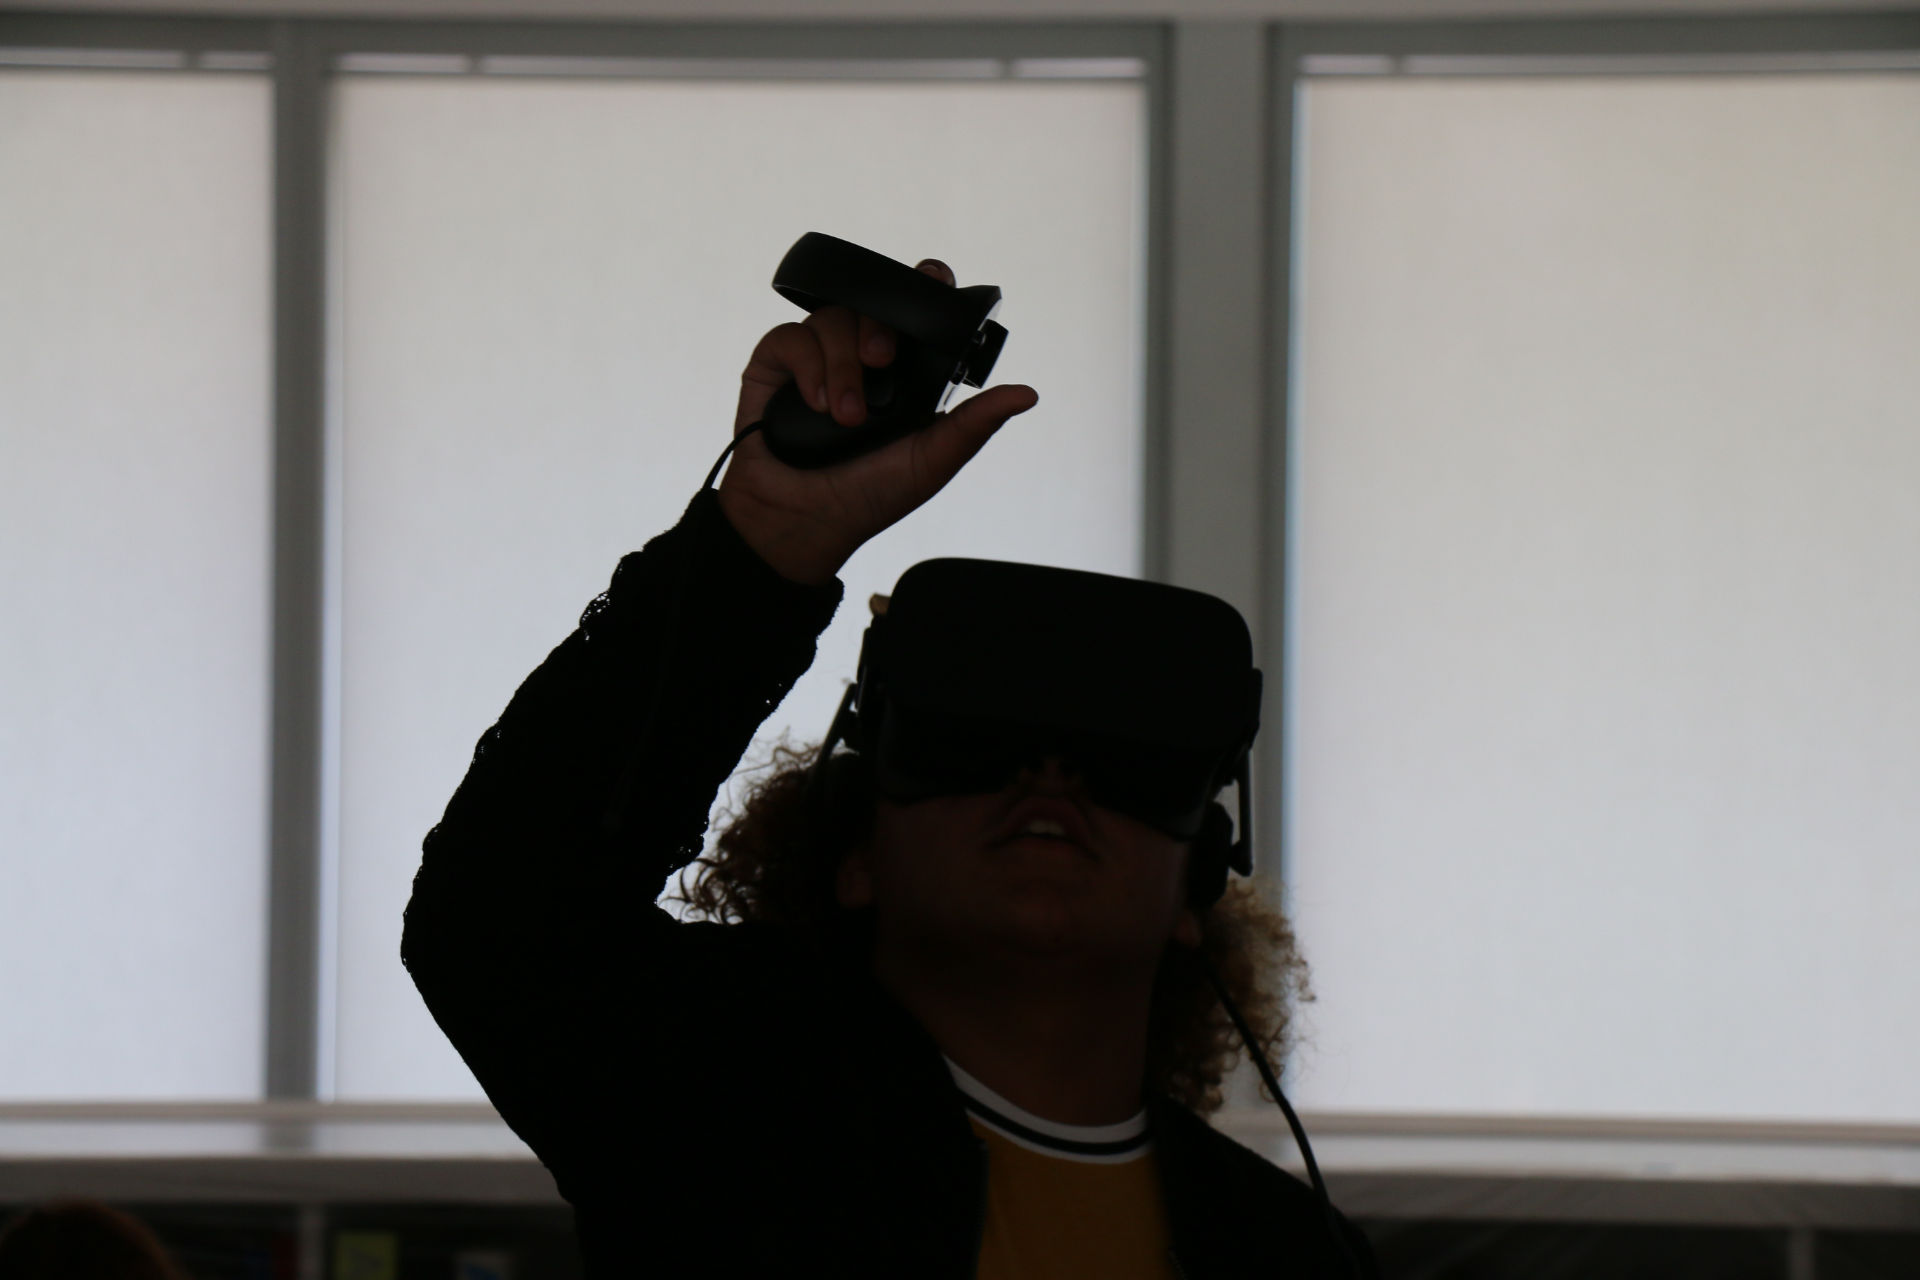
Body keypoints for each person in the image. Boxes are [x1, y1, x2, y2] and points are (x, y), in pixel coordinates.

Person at [402, 257, 1371, 1278]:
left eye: (1127, 756)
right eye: (971, 743)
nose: (1052, 775)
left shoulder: (1292, 1252)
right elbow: (503, 915)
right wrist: (762, 545)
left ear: (1198, 886)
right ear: (852, 853)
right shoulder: (721, 1114)